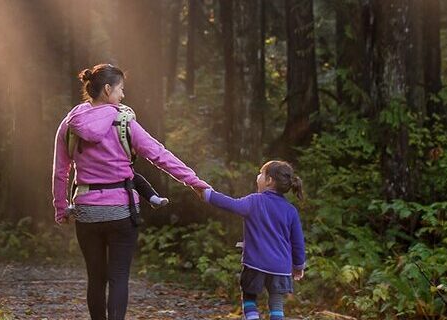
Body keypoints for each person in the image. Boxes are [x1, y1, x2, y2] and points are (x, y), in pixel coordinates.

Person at [52, 63, 210, 320]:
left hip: (86, 211)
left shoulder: (70, 124)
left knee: (95, 278)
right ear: (107, 89)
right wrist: (194, 181)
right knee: (118, 278)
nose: (123, 95)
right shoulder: (124, 122)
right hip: (121, 213)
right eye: (120, 89)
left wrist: (61, 209)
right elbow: (160, 155)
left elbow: (61, 172)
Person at [200, 160, 306, 320]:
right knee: (276, 303)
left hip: (255, 263)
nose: (258, 176)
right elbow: (298, 242)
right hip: (280, 267)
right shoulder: (291, 211)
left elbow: (231, 204)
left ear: (269, 181)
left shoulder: (255, 201)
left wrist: (208, 194)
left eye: (261, 173)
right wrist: (298, 266)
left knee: (249, 296)